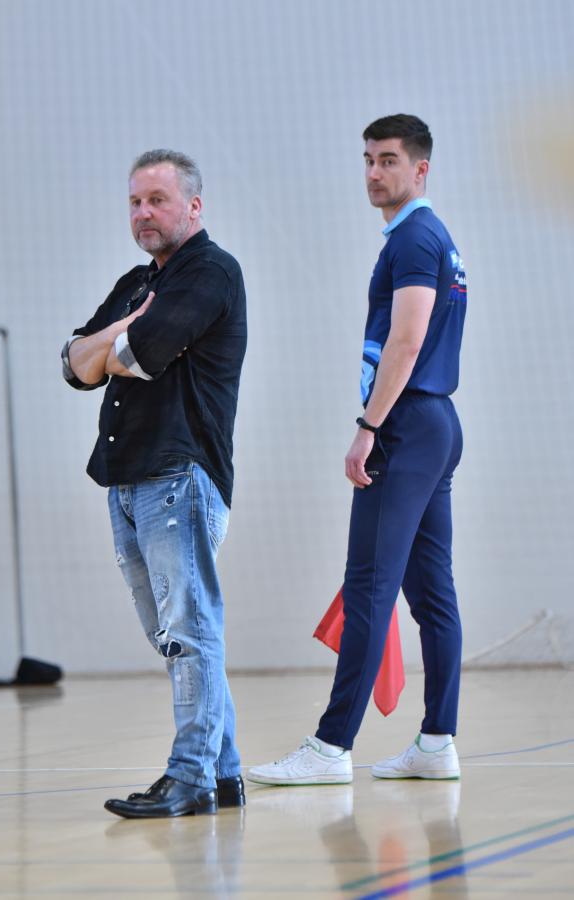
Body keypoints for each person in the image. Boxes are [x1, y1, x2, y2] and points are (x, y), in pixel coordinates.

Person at [248, 114, 467, 786]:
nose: (374, 172)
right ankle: (437, 742)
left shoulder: (415, 238)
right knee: (431, 593)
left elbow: (407, 339)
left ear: (420, 169)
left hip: (405, 426)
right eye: (368, 159)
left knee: (370, 585)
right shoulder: (429, 237)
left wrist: (368, 427)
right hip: (435, 425)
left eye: (389, 160)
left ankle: (330, 746)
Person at [62, 149, 247, 817]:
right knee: (175, 636)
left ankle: (189, 777)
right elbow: (74, 365)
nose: (143, 212)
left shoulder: (212, 273)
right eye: (135, 201)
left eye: (157, 200)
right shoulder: (137, 283)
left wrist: (113, 345)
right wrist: (120, 330)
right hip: (127, 480)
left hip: (179, 476)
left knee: (190, 632)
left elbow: (139, 357)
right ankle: (222, 775)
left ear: (193, 206)